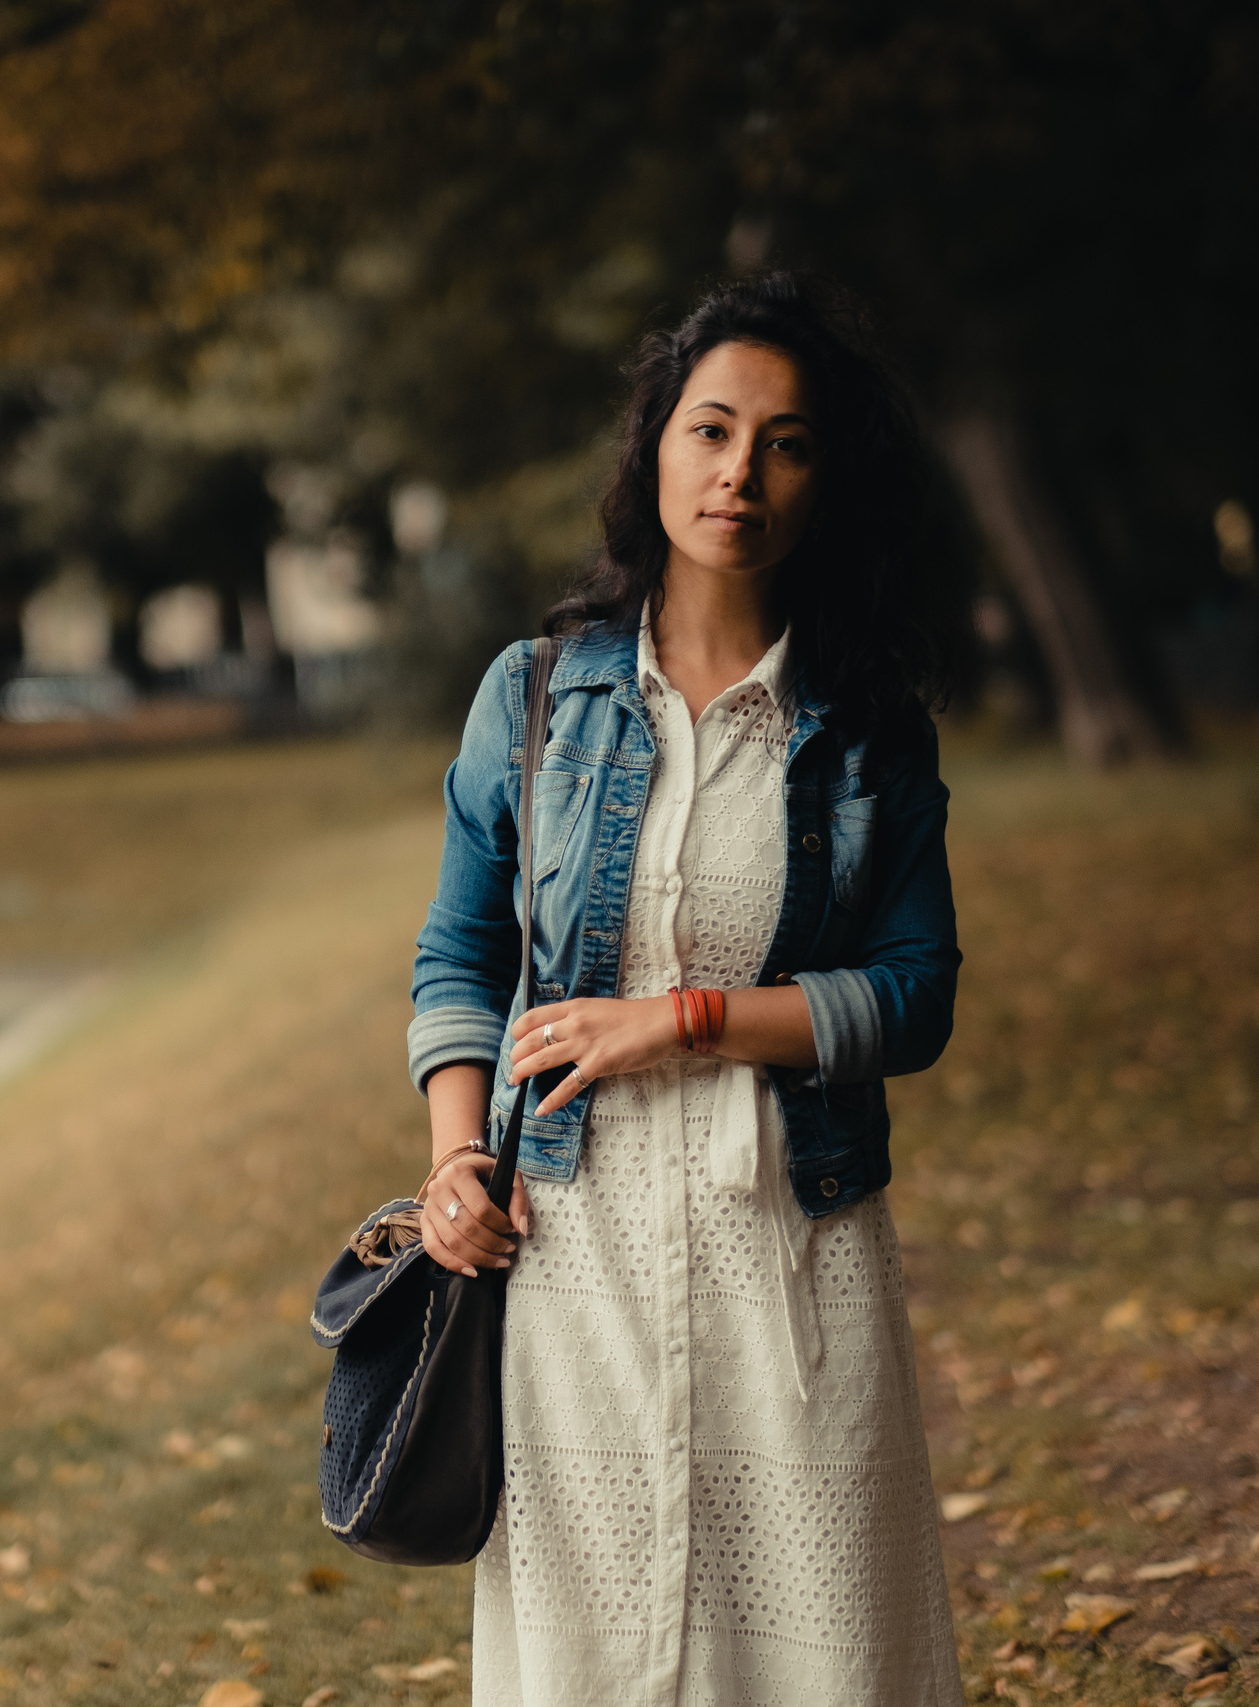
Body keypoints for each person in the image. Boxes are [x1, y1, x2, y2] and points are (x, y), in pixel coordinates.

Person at [407, 272, 967, 1705]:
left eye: (786, 442)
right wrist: (456, 1156)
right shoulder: (534, 695)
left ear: (825, 478)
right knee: (594, 1655)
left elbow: (912, 1000)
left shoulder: (866, 727)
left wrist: (689, 1019)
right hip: (571, 1252)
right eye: (712, 430)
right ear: (655, 445)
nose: (741, 473)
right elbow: (459, 957)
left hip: (792, 1244)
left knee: (817, 1647)